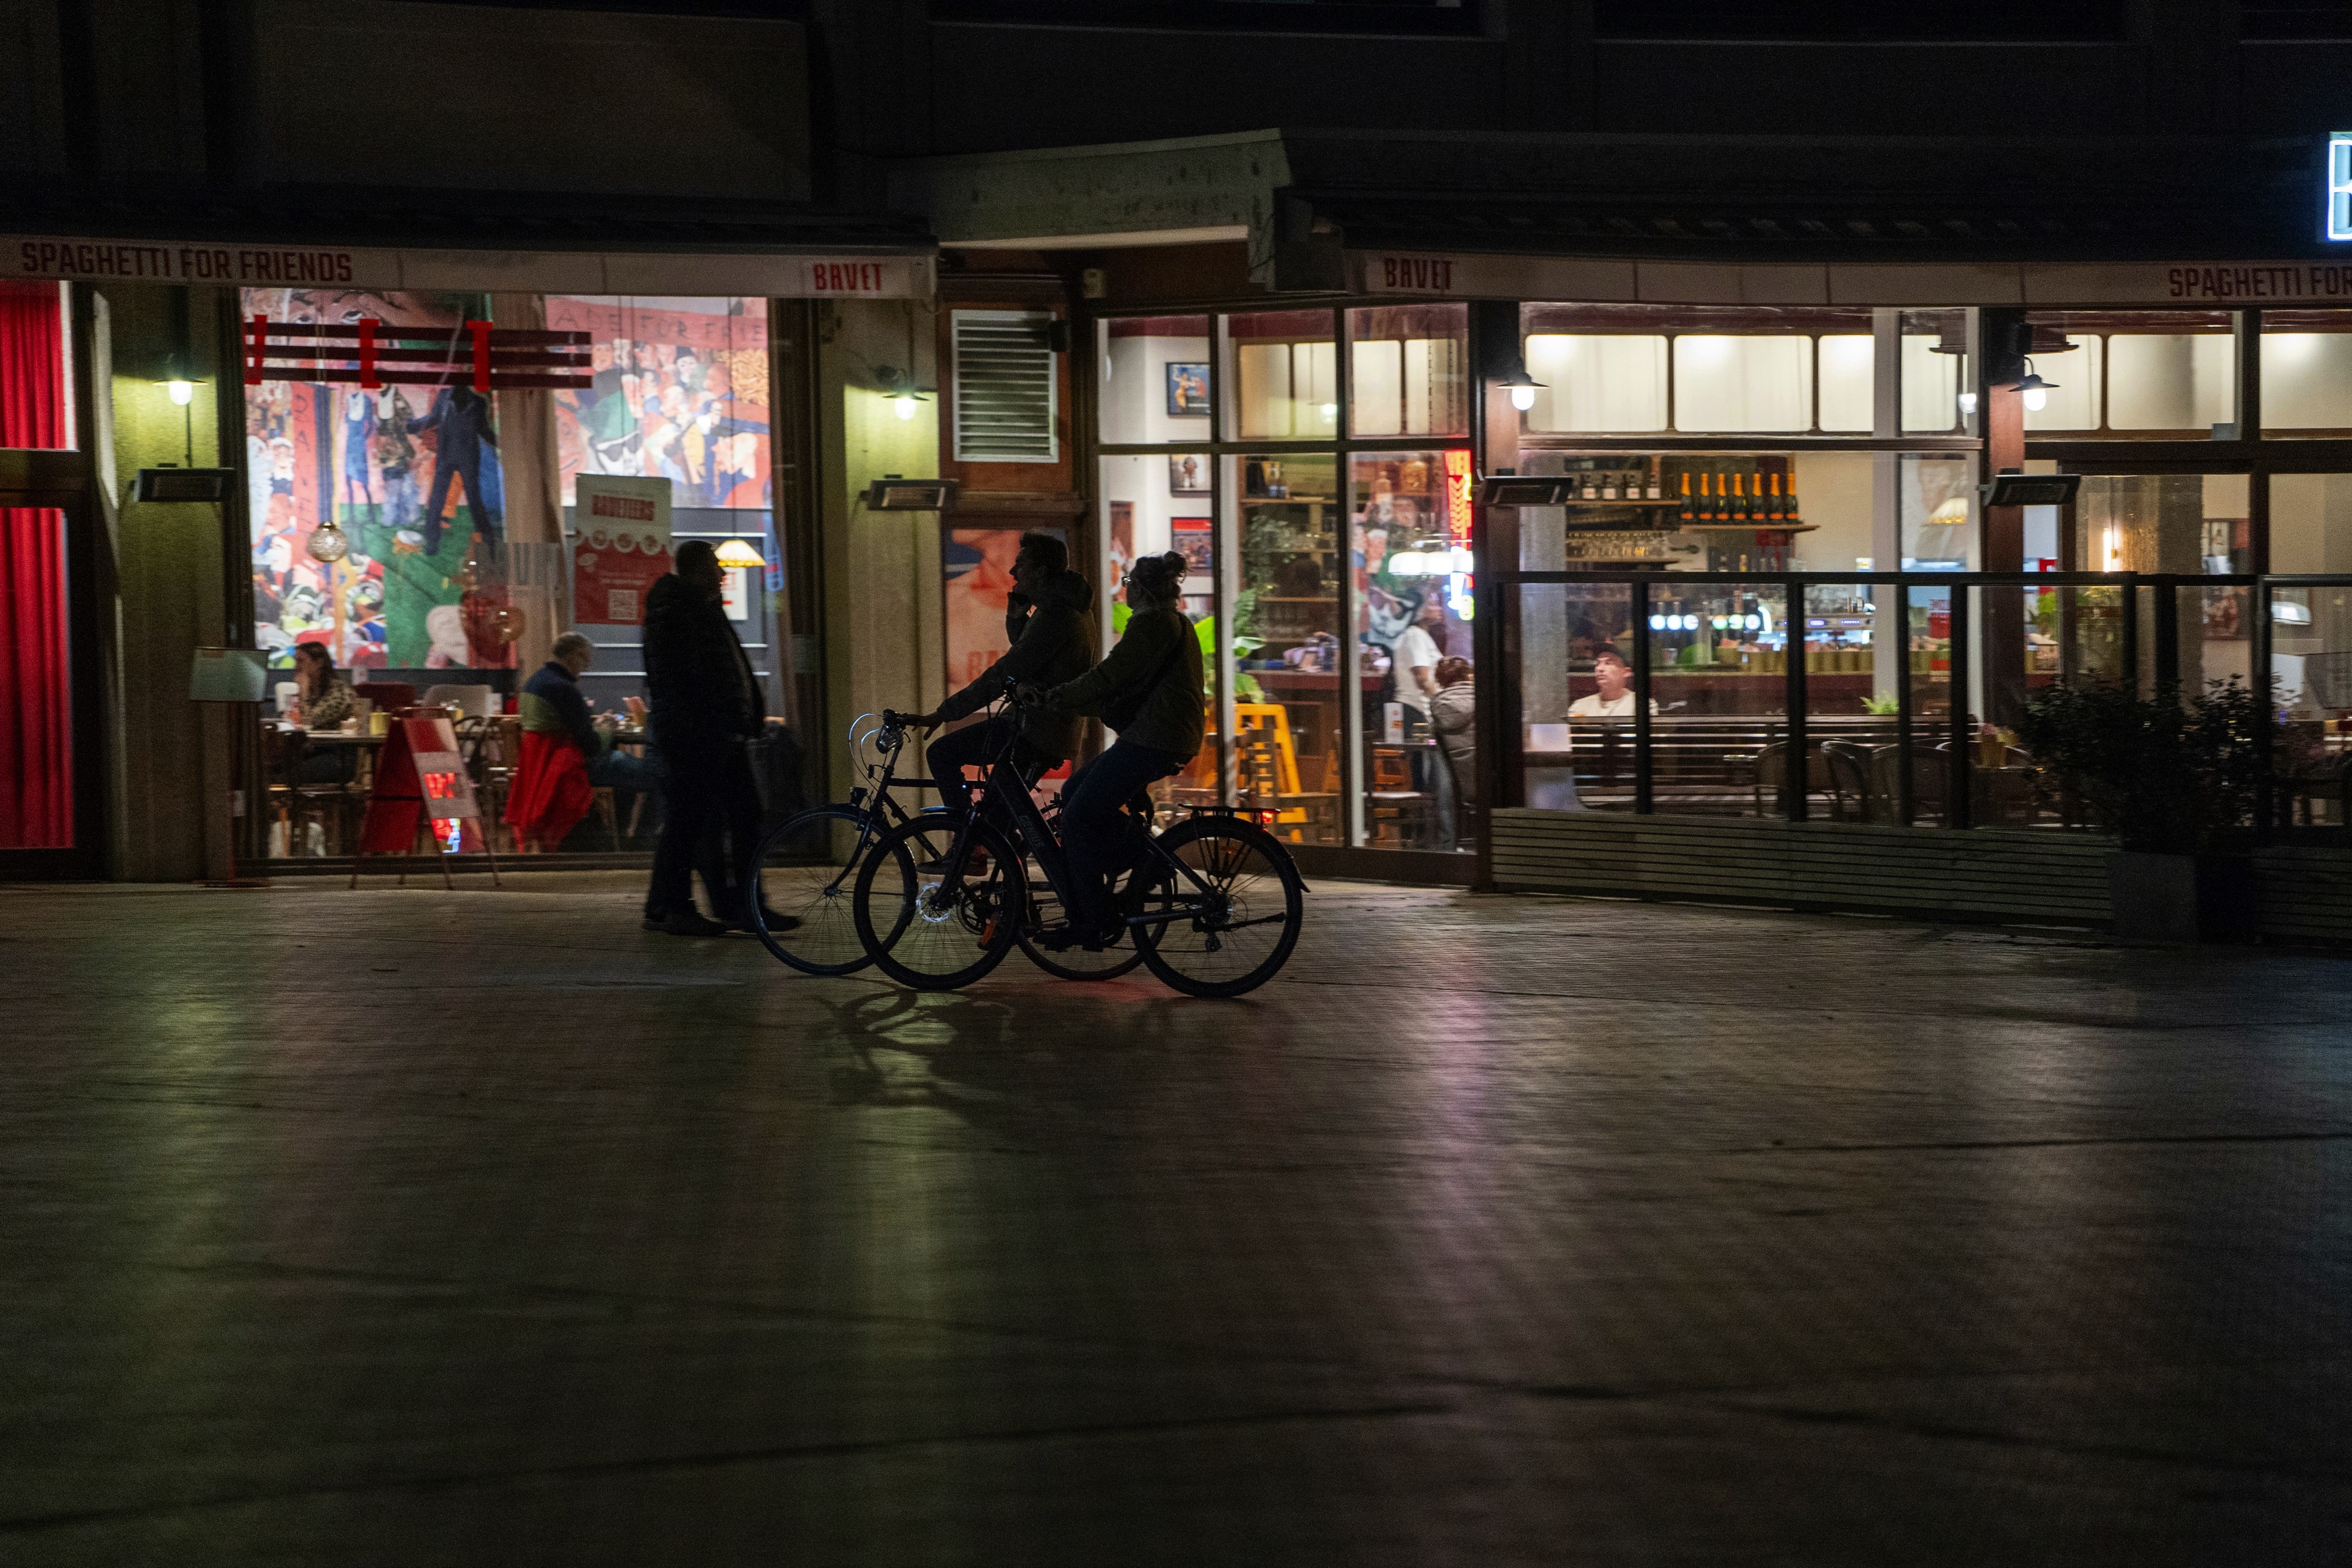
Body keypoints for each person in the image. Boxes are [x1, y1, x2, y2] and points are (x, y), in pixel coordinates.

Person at [1035, 551, 1204, 948]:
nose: (1125, 591)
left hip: (1154, 738)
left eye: (1128, 583)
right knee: (1074, 793)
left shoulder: (1153, 624)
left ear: (1141, 589)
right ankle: (1140, 860)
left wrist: (1055, 697)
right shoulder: (1175, 622)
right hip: (1160, 736)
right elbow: (1120, 685)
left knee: (1078, 818)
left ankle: (1093, 916)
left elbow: (1109, 676)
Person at [642, 540, 791, 936]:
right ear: (696, 570)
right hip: (701, 736)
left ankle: (733, 905)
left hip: (716, 734)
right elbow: (691, 677)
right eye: (715, 566)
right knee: (697, 820)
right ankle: (683, 907)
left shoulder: (696, 608)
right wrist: (720, 719)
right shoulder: (680, 611)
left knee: (723, 818)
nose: (723, 574)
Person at [912, 531, 1095, 820]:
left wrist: (945, 713)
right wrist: (1017, 615)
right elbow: (1030, 653)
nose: (1013, 571)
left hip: (1034, 729)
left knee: (942, 754)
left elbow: (1009, 669)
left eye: (1021, 564)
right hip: (1042, 728)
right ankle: (982, 839)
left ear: (1040, 571)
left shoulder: (1057, 615)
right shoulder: (1065, 608)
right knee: (999, 820)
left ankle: (966, 837)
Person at [510, 633, 664, 851]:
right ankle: (641, 841)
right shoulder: (563, 688)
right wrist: (607, 728)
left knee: (626, 778)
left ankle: (621, 838)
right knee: (656, 775)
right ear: (572, 656)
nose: (587, 665)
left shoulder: (534, 682)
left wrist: (597, 726)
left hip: (544, 765)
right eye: (584, 658)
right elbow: (591, 746)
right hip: (571, 767)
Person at [407, 384, 501, 560]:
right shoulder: (444, 396)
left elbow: (483, 431)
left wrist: (503, 442)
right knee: (437, 500)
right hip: (446, 457)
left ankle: (489, 541)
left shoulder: (478, 403)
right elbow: (433, 419)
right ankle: (432, 543)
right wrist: (411, 426)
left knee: (475, 501)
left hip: (468, 459)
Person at [289, 641, 357, 784]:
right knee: (270, 770)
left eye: (301, 661)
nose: (296, 667)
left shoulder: (340, 692)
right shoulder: (311, 690)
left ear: (319, 663)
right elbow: (292, 721)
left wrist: (303, 694)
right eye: (296, 661)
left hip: (337, 756)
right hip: (312, 752)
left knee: (288, 776)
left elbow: (310, 722)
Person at [1428, 656, 1475, 848]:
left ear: (1441, 682)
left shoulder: (1437, 710)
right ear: (1468, 676)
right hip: (1490, 785)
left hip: (1456, 791)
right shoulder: (1488, 702)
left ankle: (1446, 846)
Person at [1568, 648, 1658, 720]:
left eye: (1608, 663)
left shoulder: (1643, 705)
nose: (1600, 669)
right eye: (1598, 663)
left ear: (1626, 672)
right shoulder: (1580, 706)